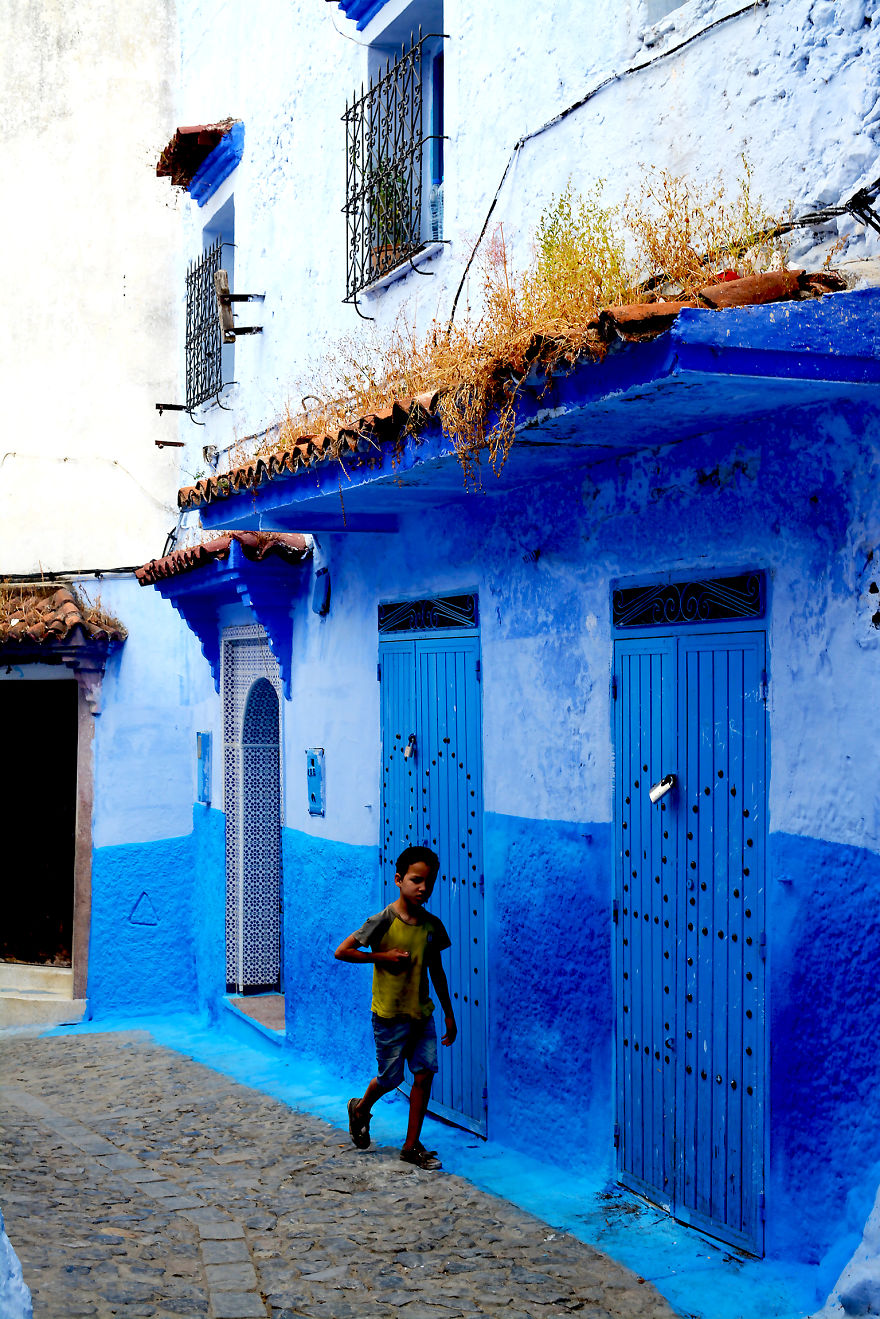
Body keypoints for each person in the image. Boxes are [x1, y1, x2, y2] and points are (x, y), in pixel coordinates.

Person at [334, 844, 457, 1170]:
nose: (423, 888)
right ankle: (360, 1109)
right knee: (389, 1079)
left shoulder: (432, 925)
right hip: (389, 1016)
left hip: (422, 1015)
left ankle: (411, 1145)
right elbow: (343, 951)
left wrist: (448, 1012)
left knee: (424, 1074)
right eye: (416, 880)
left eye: (429, 882)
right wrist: (382, 957)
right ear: (399, 879)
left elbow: (437, 971)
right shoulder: (383, 920)